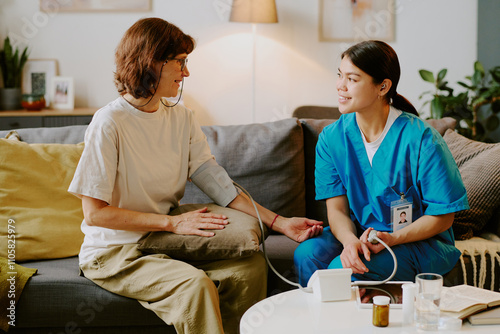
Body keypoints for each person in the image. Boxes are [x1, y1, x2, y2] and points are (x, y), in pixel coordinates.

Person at [68, 17, 323, 334]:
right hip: (115, 252)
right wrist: (173, 222)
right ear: (152, 62)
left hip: (161, 241)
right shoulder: (109, 123)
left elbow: (220, 186)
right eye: (179, 62)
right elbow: (95, 215)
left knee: (250, 269)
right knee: (194, 286)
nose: (186, 73)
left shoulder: (182, 118)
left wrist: (281, 223)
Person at [293, 40, 468, 287]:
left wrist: (393, 238)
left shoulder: (421, 139)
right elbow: (338, 210)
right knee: (306, 255)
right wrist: (350, 241)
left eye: (352, 79)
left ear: (383, 86)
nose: (340, 86)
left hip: (415, 242)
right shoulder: (331, 139)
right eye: (340, 75)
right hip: (361, 233)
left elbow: (443, 217)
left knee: (340, 272)